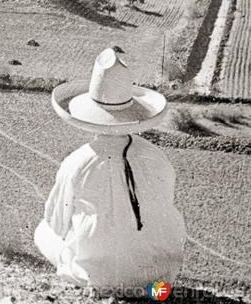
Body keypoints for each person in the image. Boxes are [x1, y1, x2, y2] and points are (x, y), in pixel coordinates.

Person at [34, 47, 187, 293]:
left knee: (43, 231)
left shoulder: (78, 162)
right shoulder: (157, 158)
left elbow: (57, 223)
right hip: (158, 283)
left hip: (101, 281)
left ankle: (89, 275)